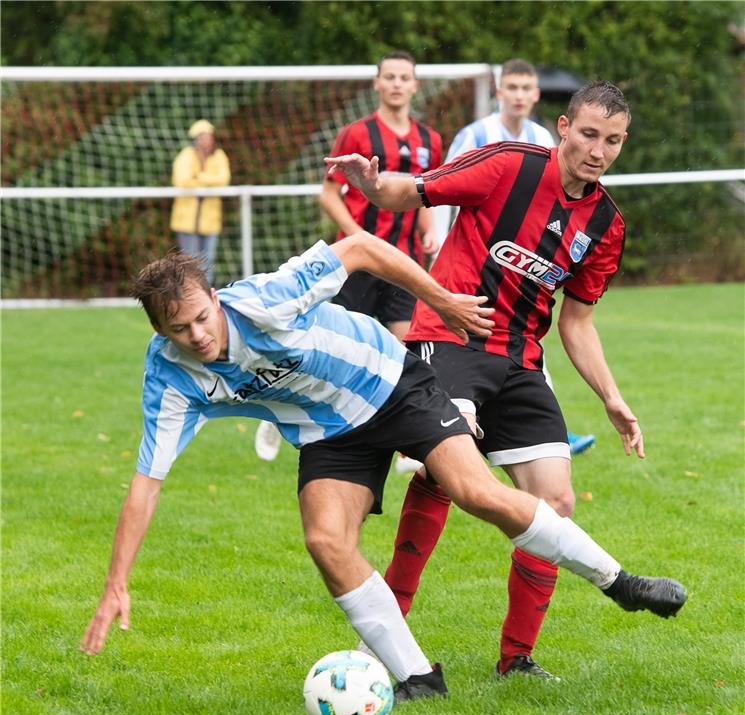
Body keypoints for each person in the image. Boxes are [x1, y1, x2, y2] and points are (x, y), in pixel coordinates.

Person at [80, 229, 686, 705]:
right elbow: (145, 483)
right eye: (178, 330)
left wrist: (441, 301)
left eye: (202, 319)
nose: (197, 336)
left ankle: (620, 583)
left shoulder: (268, 299)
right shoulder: (168, 375)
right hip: (329, 429)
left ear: (216, 300)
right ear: (158, 332)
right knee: (325, 539)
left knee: (475, 492)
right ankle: (419, 678)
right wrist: (115, 584)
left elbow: (363, 248)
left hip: (392, 382)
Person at [326, 81, 652, 682]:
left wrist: (611, 397)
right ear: (562, 126)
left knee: (556, 500)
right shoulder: (507, 164)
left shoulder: (605, 223)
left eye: (613, 141)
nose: (598, 151)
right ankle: (388, 635)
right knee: (451, 470)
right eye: (588, 134)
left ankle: (517, 661)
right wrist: (374, 187)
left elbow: (577, 323)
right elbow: (416, 192)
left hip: (521, 360)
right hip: (449, 336)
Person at [254, 50, 443, 470]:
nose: (396, 83)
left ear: (415, 85)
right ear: (377, 84)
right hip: (354, 265)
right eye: (389, 76)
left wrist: (429, 229)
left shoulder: (429, 141)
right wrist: (359, 240)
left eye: (404, 77)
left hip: (402, 263)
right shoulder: (356, 134)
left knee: (402, 351)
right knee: (324, 348)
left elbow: (426, 194)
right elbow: (328, 194)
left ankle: (405, 446)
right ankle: (280, 409)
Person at [436, 58, 596, 458]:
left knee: (523, 343)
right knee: (460, 345)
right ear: (499, 91)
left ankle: (545, 428)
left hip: (522, 265)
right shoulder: (475, 134)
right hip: (473, 263)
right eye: (513, 87)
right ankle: (435, 428)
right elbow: (442, 187)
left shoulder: (542, 135)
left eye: (527, 88)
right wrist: (436, 241)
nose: (520, 95)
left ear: (536, 94)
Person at [170, 119, 231, 286]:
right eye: (202, 136)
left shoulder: (219, 156)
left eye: (208, 136)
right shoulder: (186, 156)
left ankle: (206, 293)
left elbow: (223, 180)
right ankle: (191, 293)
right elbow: (182, 180)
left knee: (208, 260)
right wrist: (208, 182)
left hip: (210, 219)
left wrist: (199, 178)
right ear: (195, 138)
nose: (206, 140)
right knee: (190, 260)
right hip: (186, 219)